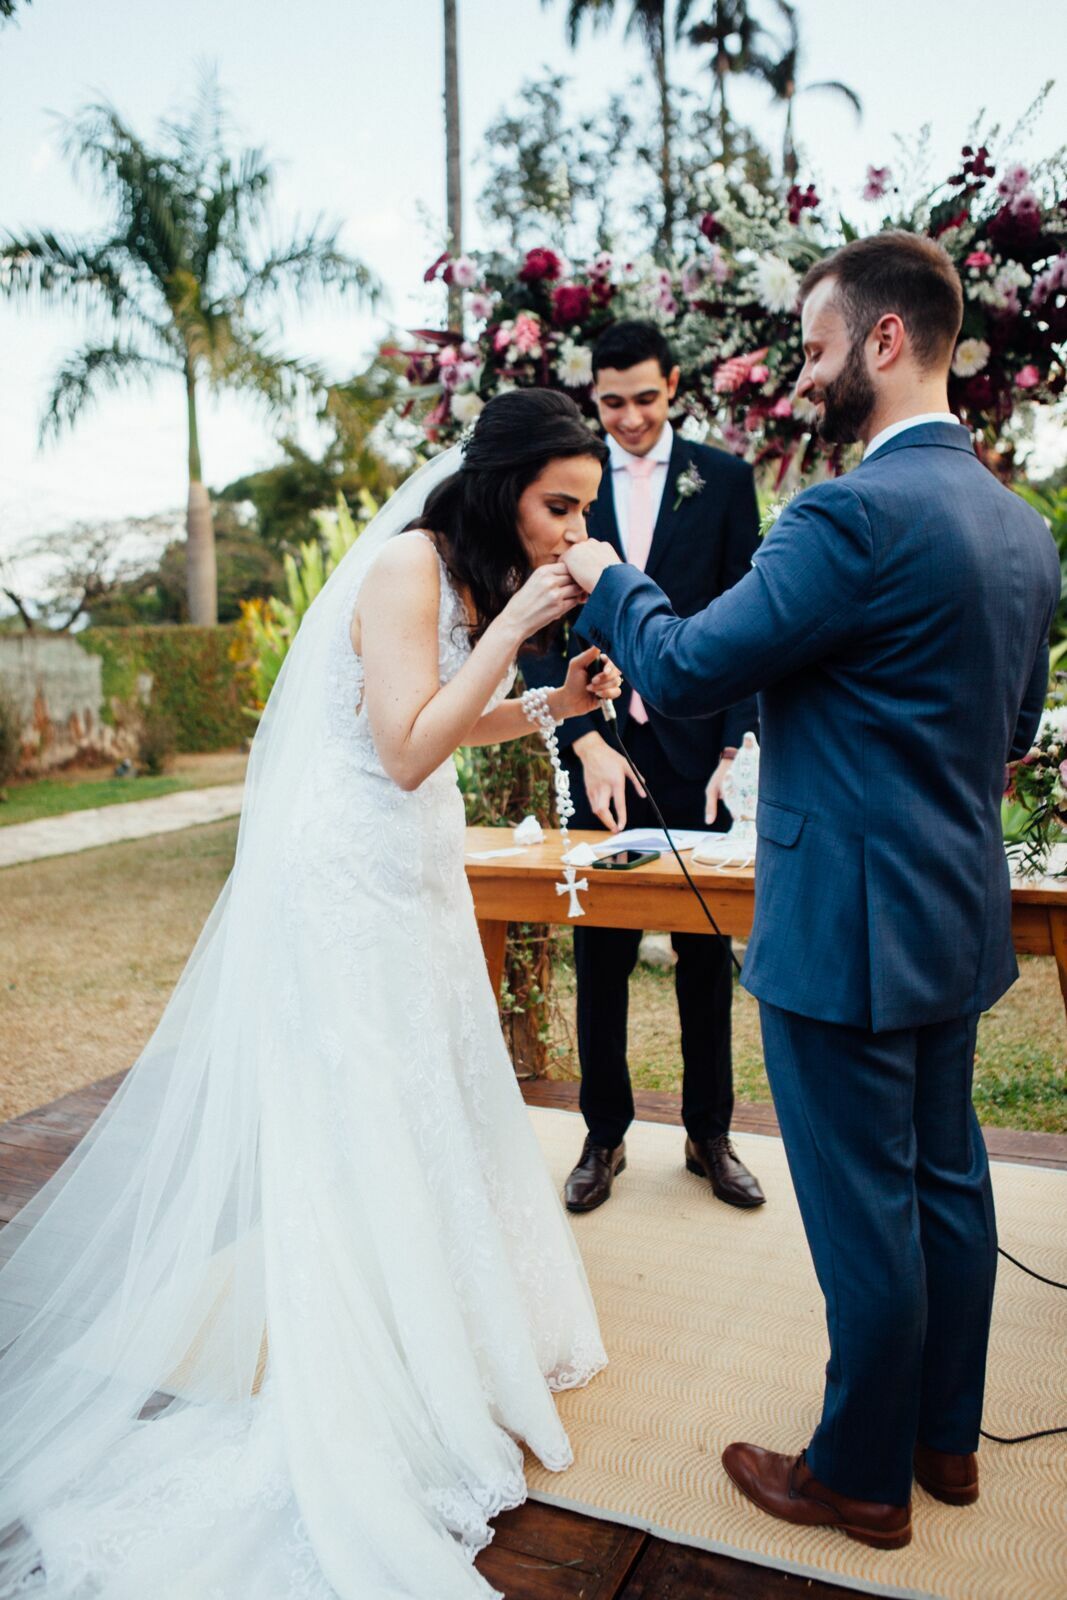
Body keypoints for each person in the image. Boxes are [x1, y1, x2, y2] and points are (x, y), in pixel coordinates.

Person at [0, 390, 621, 1600]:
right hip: (347, 876)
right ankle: (376, 1370)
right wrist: (523, 628)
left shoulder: (467, 580)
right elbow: (396, 749)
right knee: (368, 1116)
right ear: (499, 487)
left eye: (582, 512)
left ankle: (447, 1331)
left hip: (414, 867)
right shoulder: (404, 567)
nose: (567, 532)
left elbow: (445, 725)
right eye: (557, 506)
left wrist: (556, 701)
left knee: (434, 1097)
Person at [561, 233, 1059, 1550]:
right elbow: (1005, 732)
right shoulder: (1018, 531)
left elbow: (676, 666)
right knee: (945, 1182)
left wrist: (606, 581)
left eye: (818, 342)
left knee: (858, 1214)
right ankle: (941, 1440)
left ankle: (853, 1474)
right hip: (952, 914)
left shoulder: (848, 513)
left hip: (841, 928)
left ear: (883, 341)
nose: (804, 369)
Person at [521, 321, 765, 1216]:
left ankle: (710, 1135)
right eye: (610, 401)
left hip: (699, 751)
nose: (626, 418)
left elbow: (753, 612)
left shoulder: (724, 480)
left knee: (705, 950)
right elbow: (540, 624)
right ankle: (602, 1135)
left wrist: (735, 746)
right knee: (601, 948)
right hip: (603, 749)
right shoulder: (566, 489)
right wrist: (581, 741)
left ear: (673, 389)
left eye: (644, 399)